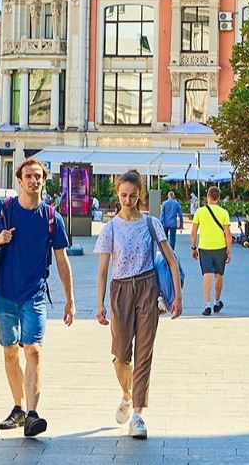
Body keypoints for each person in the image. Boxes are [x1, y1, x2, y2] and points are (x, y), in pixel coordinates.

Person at [0, 159, 75, 438]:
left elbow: (62, 261)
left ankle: (32, 414)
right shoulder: (1, 210)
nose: (33, 181)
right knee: (10, 350)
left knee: (33, 349)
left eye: (38, 176)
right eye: (28, 176)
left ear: (44, 180)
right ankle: (17, 407)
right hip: (4, 294)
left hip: (35, 294)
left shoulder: (52, 218)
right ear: (19, 180)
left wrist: (70, 299)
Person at [94, 170, 182, 439]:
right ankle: (127, 393)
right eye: (123, 195)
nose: (128, 200)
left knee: (144, 354)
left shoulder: (151, 223)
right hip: (120, 289)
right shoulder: (110, 228)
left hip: (147, 288)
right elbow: (102, 270)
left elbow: (171, 260)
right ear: (117, 194)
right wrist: (99, 304)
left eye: (133, 196)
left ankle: (138, 416)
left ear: (140, 196)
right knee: (121, 354)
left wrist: (178, 296)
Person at [190, 186, 232, 316]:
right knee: (219, 274)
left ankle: (207, 305)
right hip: (220, 248)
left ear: (207, 196)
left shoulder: (200, 212)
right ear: (218, 198)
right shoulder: (224, 213)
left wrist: (193, 247)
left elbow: (193, 232)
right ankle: (216, 301)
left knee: (206, 274)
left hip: (204, 248)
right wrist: (229, 250)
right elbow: (228, 234)